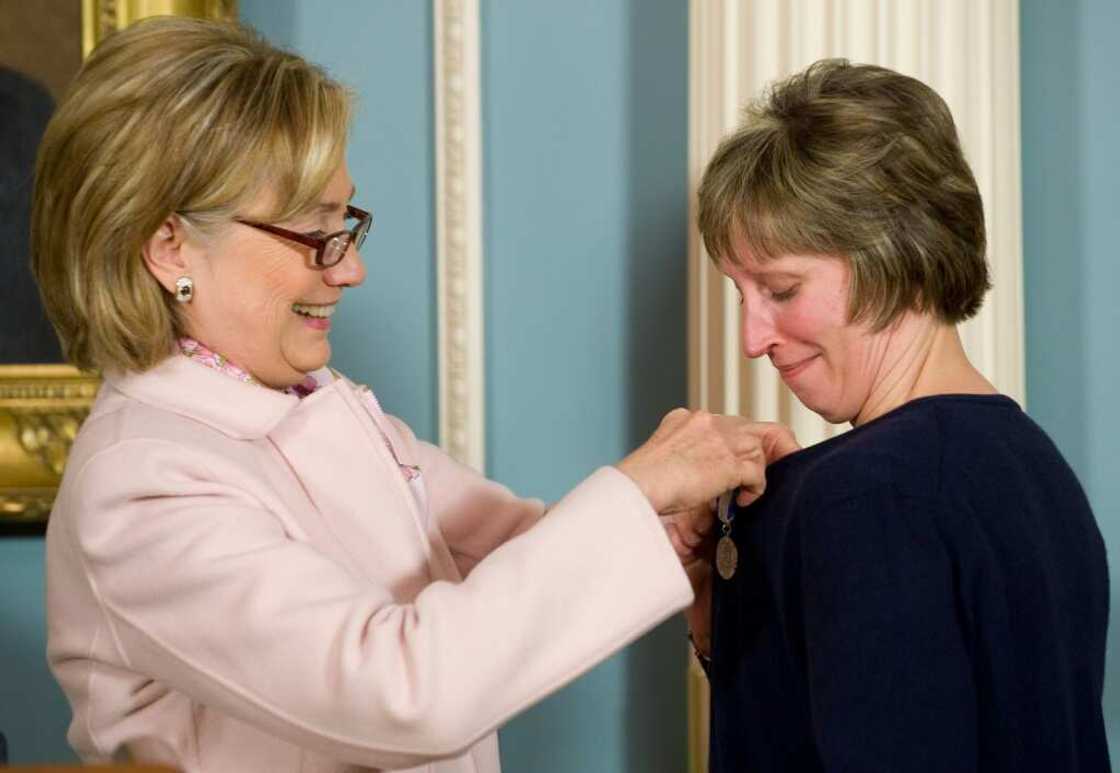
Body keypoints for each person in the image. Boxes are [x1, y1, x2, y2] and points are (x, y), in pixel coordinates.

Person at [33, 18, 796, 773]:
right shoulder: (137, 485)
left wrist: (676, 530)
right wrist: (642, 486)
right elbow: (404, 688)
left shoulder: (311, 400)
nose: (349, 269)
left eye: (346, 223)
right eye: (313, 233)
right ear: (170, 249)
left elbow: (511, 547)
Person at [690, 59, 1110, 772]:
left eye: (782, 289)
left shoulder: (864, 495)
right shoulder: (1036, 466)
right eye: (740, 293)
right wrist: (714, 600)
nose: (752, 339)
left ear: (895, 253)